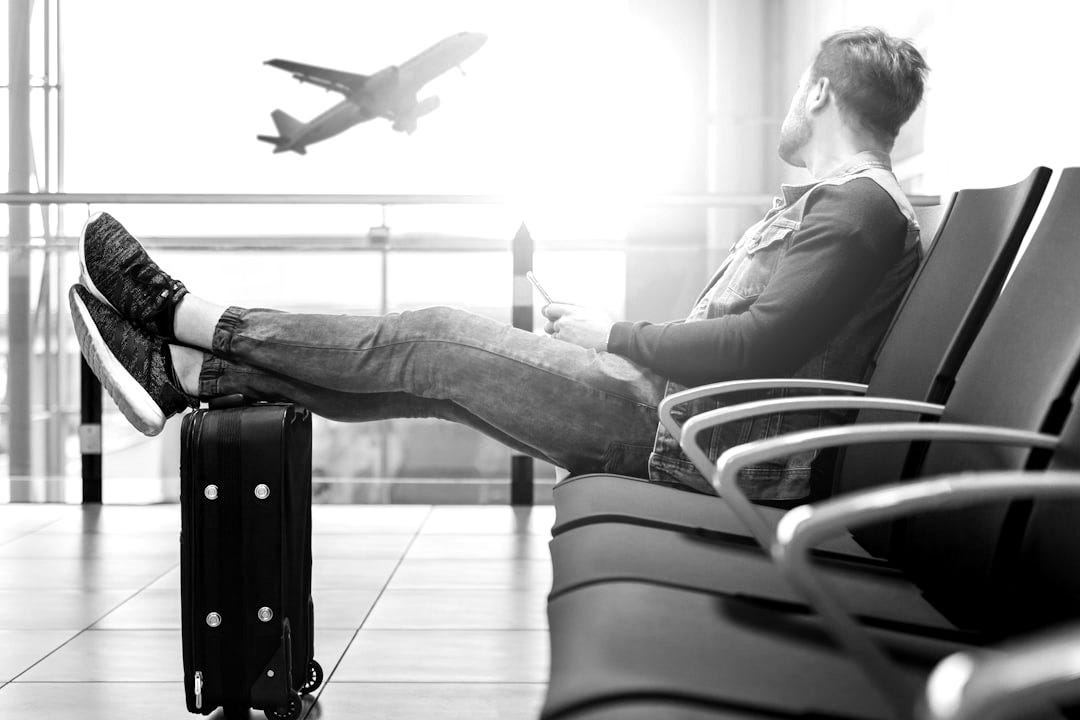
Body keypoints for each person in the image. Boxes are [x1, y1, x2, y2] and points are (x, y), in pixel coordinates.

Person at [70, 27, 928, 501]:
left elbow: (758, 349)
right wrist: (619, 341)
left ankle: (179, 313)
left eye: (794, 93)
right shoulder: (851, 208)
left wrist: (612, 333)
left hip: (681, 442)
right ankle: (184, 374)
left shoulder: (855, 211)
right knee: (428, 379)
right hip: (677, 421)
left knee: (431, 338)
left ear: (818, 92)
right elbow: (756, 343)